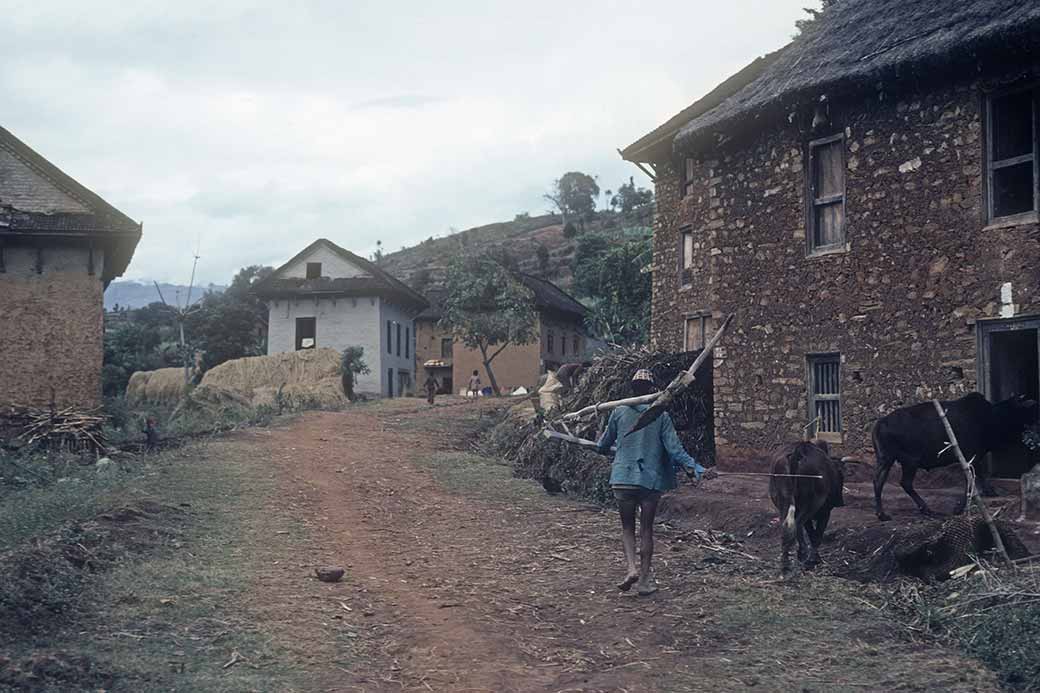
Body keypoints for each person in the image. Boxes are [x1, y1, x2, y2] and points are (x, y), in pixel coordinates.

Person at [597, 369, 706, 596]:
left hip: (622, 479)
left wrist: (606, 446)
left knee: (627, 527)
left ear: (632, 389)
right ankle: (645, 580)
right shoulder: (661, 416)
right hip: (650, 481)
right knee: (646, 529)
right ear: (652, 390)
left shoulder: (618, 412)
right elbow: (675, 449)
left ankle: (630, 568)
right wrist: (694, 467)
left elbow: (602, 446)